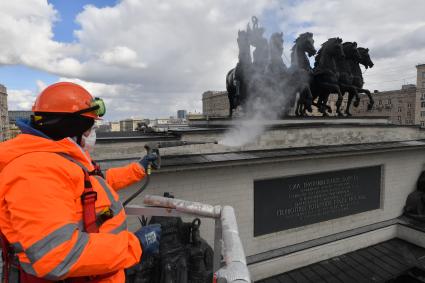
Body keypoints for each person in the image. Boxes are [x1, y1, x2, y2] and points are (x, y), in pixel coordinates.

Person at [0, 82, 161, 282]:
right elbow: (57, 256)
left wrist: (138, 168)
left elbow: (92, 187)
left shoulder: (55, 160)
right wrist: (135, 245)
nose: (90, 136)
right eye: (88, 129)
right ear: (70, 127)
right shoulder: (35, 171)